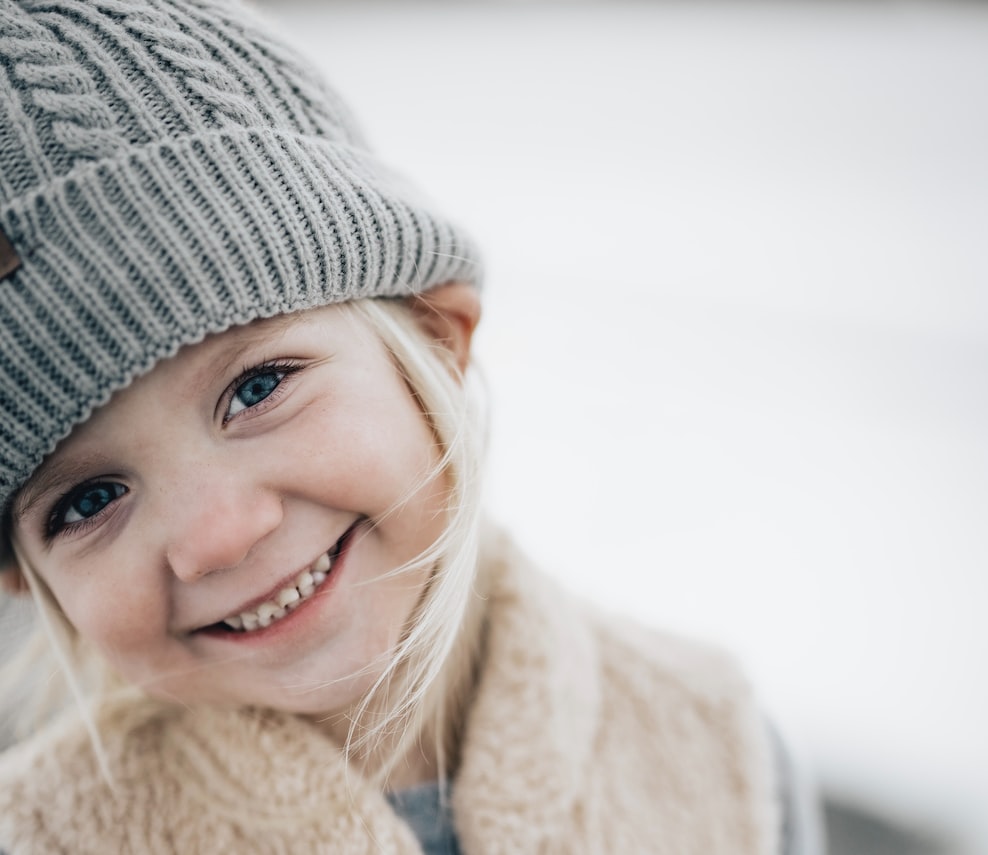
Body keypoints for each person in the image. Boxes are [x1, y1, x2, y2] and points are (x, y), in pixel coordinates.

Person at [0, 1, 806, 851]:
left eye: (258, 387)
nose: (219, 537)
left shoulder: (718, 747)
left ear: (432, 331)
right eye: (89, 499)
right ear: (24, 576)